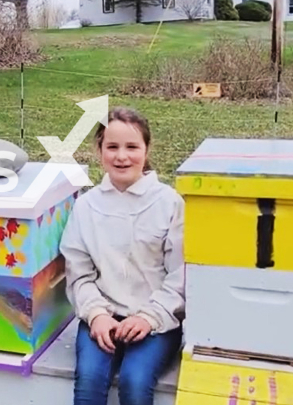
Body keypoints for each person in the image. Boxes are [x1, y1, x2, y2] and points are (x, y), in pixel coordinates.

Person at [59, 107, 185, 405]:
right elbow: (79, 272)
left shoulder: (169, 203)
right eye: (112, 147)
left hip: (155, 321)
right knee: (89, 380)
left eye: (132, 147)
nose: (122, 156)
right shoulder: (85, 206)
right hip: (102, 317)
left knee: (135, 381)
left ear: (147, 149)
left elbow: (180, 274)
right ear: (99, 150)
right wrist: (97, 314)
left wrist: (149, 317)